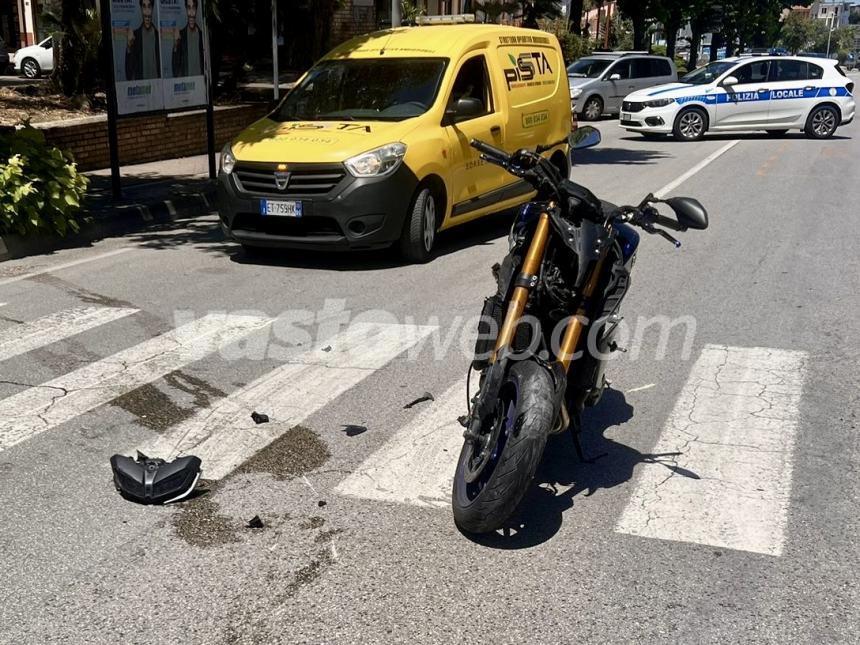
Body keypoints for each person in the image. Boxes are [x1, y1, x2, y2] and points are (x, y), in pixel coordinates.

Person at [125, 0, 160, 81]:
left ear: (153, 8)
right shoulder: (135, 37)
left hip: (157, 89)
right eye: (144, 6)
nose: (147, 12)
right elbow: (129, 74)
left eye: (149, 6)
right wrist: (129, 47)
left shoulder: (158, 36)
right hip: (142, 90)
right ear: (140, 8)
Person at [172, 0, 205, 78]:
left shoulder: (202, 35)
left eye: (193, 8)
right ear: (186, 9)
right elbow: (175, 67)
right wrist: (176, 44)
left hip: (200, 82)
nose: (191, 13)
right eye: (189, 8)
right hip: (187, 84)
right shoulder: (181, 35)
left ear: (196, 10)